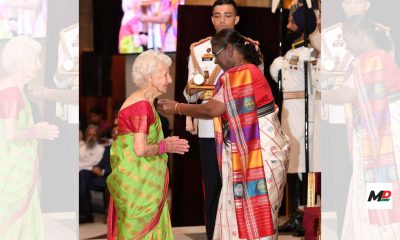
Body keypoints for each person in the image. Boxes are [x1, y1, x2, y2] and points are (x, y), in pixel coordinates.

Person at [158, 29, 289, 240]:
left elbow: (212, 110)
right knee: (244, 219)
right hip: (258, 152)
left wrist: (177, 108)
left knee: (256, 220)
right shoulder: (244, 72)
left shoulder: (243, 73)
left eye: (217, 54)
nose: (216, 61)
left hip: (262, 153)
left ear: (229, 49)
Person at [183, 1, 262, 238]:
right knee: (214, 186)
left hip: (243, 126)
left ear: (236, 19)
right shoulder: (198, 50)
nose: (222, 20)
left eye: (228, 15)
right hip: (210, 126)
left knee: (242, 183)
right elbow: (189, 90)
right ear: (212, 19)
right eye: (217, 16)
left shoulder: (249, 47)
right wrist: (189, 111)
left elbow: (257, 86)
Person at [322, 15, 400, 239]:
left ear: (362, 35)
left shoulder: (373, 59)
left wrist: (321, 94)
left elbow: (346, 93)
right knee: (376, 184)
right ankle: (377, 230)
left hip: (383, 138)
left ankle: (381, 232)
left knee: (379, 182)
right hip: (380, 135)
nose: (346, 43)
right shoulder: (376, 58)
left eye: (348, 38)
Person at [106, 50, 189, 240]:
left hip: (138, 179)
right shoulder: (141, 106)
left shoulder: (144, 102)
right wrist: (165, 146)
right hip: (138, 183)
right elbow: (140, 149)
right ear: (150, 77)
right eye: (165, 74)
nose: (169, 79)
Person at [0, 36, 59, 239]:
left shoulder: (9, 87)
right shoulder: (12, 92)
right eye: (34, 60)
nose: (38, 65)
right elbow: (10, 134)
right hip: (13, 167)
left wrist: (33, 128)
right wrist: (35, 132)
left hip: (13, 163)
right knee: (13, 218)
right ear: (20, 62)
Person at [269, 2, 319, 236]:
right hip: (290, 115)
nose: (289, 25)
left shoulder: (311, 55)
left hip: (306, 117)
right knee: (291, 165)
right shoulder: (289, 53)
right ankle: (293, 214)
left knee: (305, 167)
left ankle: (306, 214)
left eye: (293, 22)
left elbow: (316, 88)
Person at [79, 125, 105, 223]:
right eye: (89, 135)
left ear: (97, 137)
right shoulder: (81, 148)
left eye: (94, 135)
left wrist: (83, 168)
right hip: (81, 172)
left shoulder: (101, 150)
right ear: (86, 136)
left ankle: (86, 213)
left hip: (92, 172)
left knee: (82, 175)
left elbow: (95, 164)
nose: (91, 137)